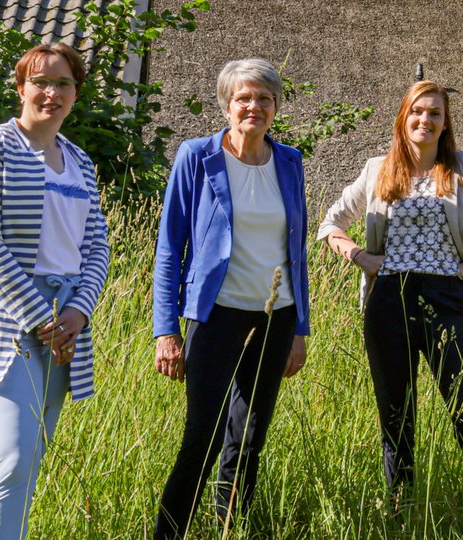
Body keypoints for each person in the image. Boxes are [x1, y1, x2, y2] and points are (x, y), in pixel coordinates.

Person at [316, 80, 463, 522]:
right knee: (396, 417)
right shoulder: (378, 168)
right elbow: (330, 224)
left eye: (435, 113)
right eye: (418, 111)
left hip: (446, 297)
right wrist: (361, 257)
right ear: (403, 117)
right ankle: (401, 514)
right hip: (388, 301)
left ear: (445, 122)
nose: (425, 120)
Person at [0, 42, 110, 540]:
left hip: (66, 325)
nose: (51, 92)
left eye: (62, 83)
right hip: (5, 324)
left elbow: (96, 245)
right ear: (20, 88)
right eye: (40, 81)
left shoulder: (79, 160)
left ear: (75, 94)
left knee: (29, 461)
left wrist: (78, 313)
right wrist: (41, 318)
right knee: (10, 460)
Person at [148, 58, 310, 538]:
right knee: (202, 436)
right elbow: (169, 246)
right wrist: (165, 329)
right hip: (214, 316)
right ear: (227, 104)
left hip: (274, 319)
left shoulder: (290, 161)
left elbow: (296, 250)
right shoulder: (196, 156)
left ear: (276, 107)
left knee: (249, 437)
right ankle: (169, 532)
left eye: (264, 98)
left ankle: (229, 528)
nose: (253, 106)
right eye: (244, 97)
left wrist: (300, 327)